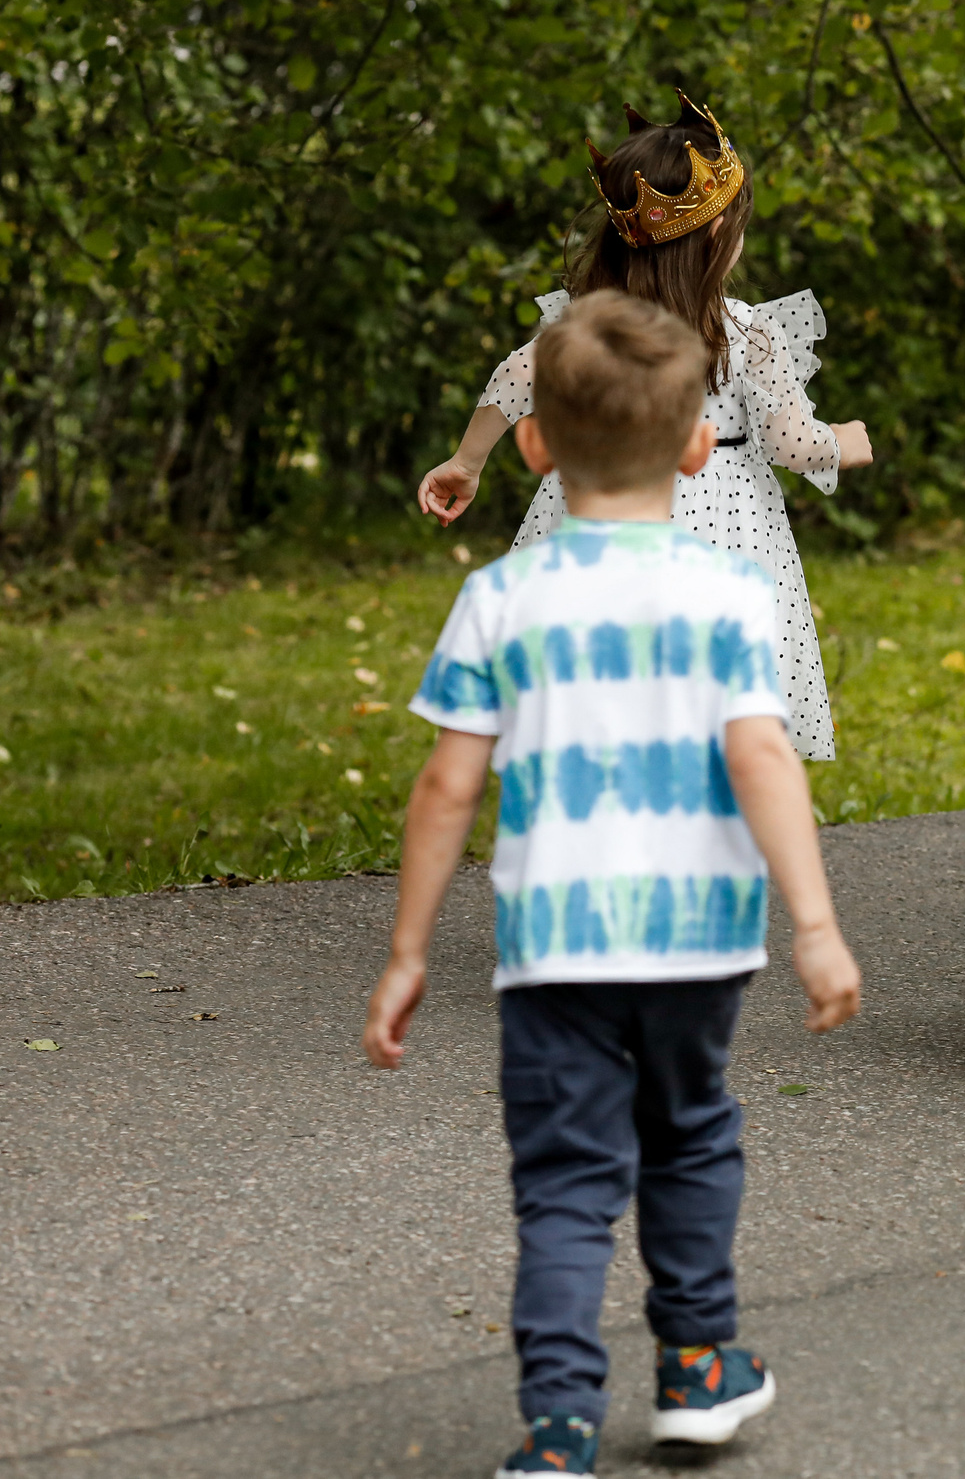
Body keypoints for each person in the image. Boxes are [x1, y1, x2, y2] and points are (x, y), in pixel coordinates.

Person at [362, 291, 865, 1478]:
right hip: (699, 942)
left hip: (554, 950)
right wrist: (816, 926)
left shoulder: (500, 597)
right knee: (690, 1141)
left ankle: (558, 1429)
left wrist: (407, 954)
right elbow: (761, 759)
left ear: (534, 444)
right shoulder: (728, 595)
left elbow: (445, 790)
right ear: (700, 444)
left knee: (565, 1185)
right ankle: (697, 1371)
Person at [416, 94, 869, 761]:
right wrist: (847, 439)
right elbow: (790, 443)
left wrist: (467, 460)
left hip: (599, 510)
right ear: (718, 236)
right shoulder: (743, 334)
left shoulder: (589, 324)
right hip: (724, 534)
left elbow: (516, 377)